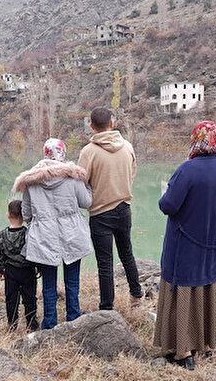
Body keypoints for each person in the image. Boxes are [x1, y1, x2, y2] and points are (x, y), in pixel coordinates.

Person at [153, 121, 216, 370]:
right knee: (208, 290)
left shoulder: (187, 170)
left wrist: (164, 192)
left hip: (185, 246)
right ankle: (207, 346)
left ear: (195, 139)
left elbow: (168, 205)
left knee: (184, 292)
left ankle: (183, 352)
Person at [13, 138, 93, 330]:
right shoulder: (73, 178)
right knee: (72, 282)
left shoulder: (31, 181)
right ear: (63, 154)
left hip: (44, 237)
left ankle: (49, 324)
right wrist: (88, 186)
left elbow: (26, 213)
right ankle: (73, 319)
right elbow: (87, 203)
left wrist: (39, 225)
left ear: (44, 154)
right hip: (72, 235)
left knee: (48, 285)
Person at [78, 107, 142, 311]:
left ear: (92, 126)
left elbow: (80, 182)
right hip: (124, 208)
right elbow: (132, 174)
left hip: (100, 213)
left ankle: (107, 307)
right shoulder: (127, 147)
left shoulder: (89, 152)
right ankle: (136, 298)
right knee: (127, 255)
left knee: (105, 263)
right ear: (111, 124)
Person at [0, 200, 39, 332]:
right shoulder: (28, 233)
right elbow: (33, 251)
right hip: (27, 270)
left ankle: (12, 324)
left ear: (8, 215)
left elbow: (0, 253)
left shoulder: (2, 235)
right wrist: (38, 266)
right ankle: (31, 323)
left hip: (10, 271)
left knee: (11, 298)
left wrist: (0, 269)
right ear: (24, 216)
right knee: (29, 297)